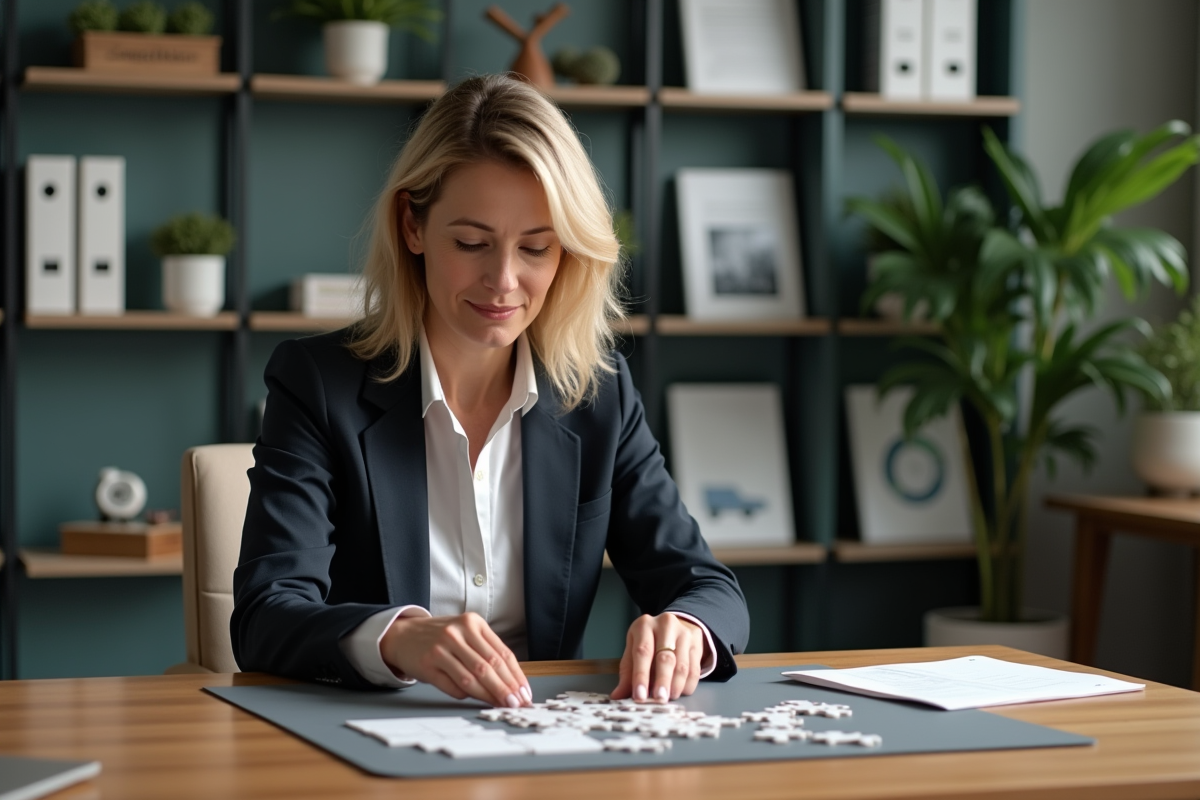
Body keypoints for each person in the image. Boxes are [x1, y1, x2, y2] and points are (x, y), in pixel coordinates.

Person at [231, 74, 750, 709]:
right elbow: (265, 615)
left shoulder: (598, 393)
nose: (503, 281)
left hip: (544, 741)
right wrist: (400, 638)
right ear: (412, 226)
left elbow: (707, 586)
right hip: (374, 739)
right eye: (471, 243)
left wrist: (685, 630)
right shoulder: (318, 383)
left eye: (536, 247)